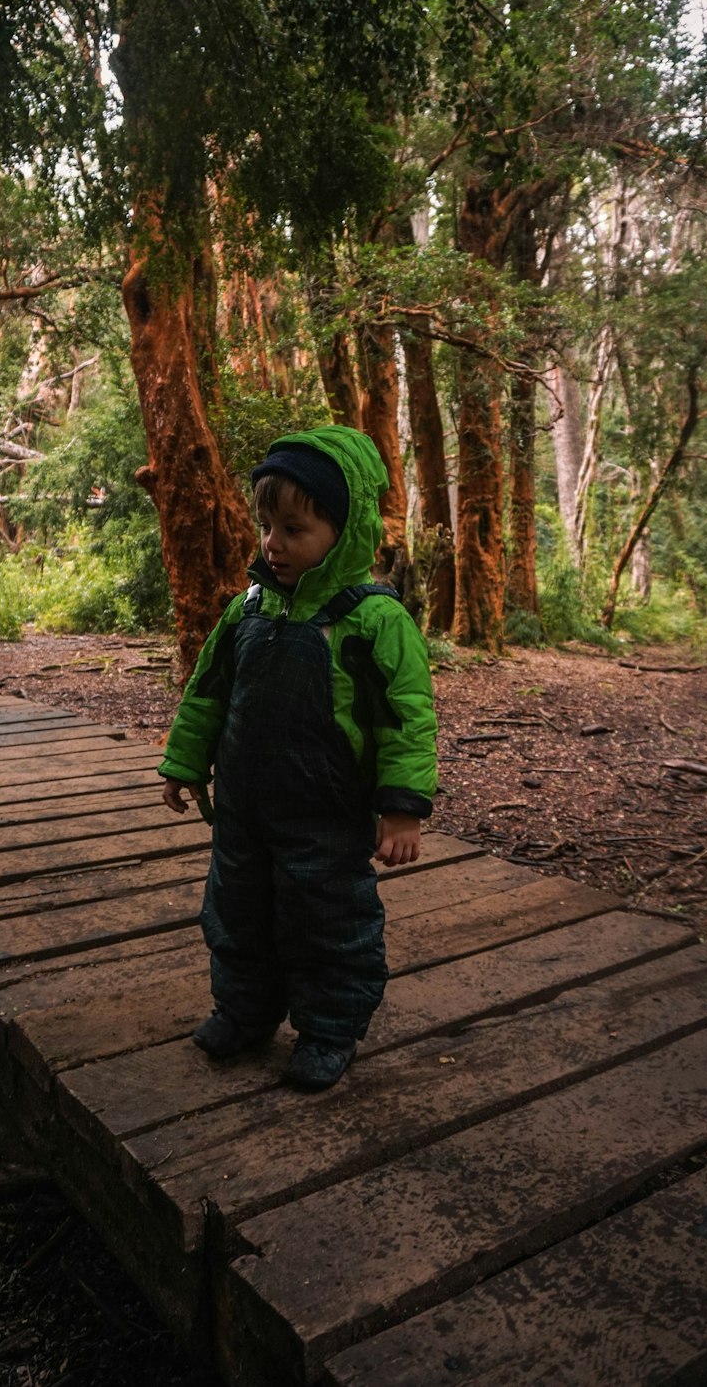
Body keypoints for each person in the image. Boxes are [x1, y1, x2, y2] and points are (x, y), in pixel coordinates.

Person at [159, 425, 437, 1090]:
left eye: (294, 529)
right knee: (236, 910)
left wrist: (401, 809)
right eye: (266, 526)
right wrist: (185, 761)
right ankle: (245, 1009)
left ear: (344, 532)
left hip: (325, 811)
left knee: (328, 919)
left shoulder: (372, 619)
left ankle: (330, 1026)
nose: (272, 544)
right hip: (245, 808)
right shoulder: (249, 610)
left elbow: (405, 716)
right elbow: (208, 691)